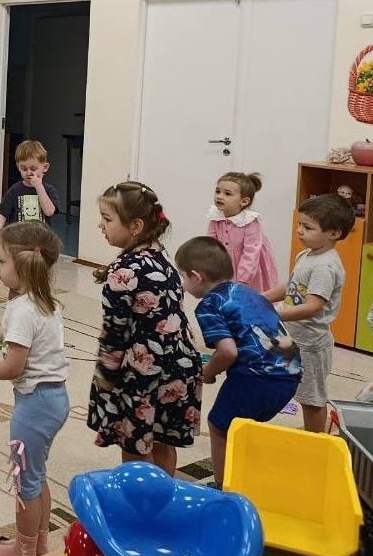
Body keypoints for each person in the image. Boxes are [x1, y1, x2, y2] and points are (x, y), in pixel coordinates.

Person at [0, 221, 69, 556]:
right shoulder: (41, 300)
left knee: (25, 483)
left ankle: (23, 552)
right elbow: (15, 335)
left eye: (1, 261)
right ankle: (38, 543)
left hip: (35, 405)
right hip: (53, 399)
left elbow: (12, 367)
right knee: (36, 475)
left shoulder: (23, 310)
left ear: (22, 265)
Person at [88, 181, 202, 475]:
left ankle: (141, 500)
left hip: (144, 368)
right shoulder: (162, 257)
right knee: (163, 439)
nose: (101, 225)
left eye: (107, 219)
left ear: (135, 226)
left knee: (135, 443)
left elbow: (114, 334)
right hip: (181, 362)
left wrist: (105, 379)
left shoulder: (123, 271)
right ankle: (164, 496)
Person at [176, 236, 300, 487]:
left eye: (183, 276)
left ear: (196, 276)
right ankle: (244, 474)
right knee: (243, 426)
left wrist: (206, 373)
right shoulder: (248, 293)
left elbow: (227, 352)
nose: (183, 284)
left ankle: (224, 488)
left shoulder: (209, 304)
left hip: (257, 377)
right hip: (290, 372)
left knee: (218, 425)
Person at [264, 193, 353, 433]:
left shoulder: (326, 266)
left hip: (310, 345)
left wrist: (276, 314)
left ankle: (315, 440)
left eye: (308, 227)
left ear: (333, 233)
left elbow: (313, 306)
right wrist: (263, 298)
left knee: (311, 399)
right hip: (289, 336)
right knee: (274, 377)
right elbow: (292, 285)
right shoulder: (306, 255)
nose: (299, 231)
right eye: (300, 224)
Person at [206, 171, 279, 293]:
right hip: (225, 266)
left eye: (227, 194)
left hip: (249, 269)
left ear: (244, 201)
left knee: (247, 295)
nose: (219, 196)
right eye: (218, 191)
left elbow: (251, 252)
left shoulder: (250, 222)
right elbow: (210, 244)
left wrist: (243, 279)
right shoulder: (216, 217)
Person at [0, 140, 61, 235]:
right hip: (18, 238)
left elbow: (49, 212)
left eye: (33, 169)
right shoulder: (14, 190)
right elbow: (3, 212)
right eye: (24, 169)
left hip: (41, 239)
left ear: (45, 167)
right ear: (18, 168)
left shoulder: (50, 190)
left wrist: (39, 186)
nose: (29, 173)